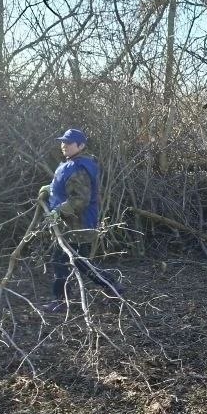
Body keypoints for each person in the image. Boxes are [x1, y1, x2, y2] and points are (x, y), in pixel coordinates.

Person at [39, 129, 123, 311]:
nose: (64, 146)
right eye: (63, 142)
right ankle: (111, 288)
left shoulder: (79, 168)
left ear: (81, 146)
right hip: (69, 223)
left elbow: (80, 200)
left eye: (68, 143)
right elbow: (64, 186)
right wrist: (49, 188)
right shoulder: (72, 163)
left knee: (70, 262)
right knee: (73, 262)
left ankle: (63, 301)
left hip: (79, 224)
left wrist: (58, 211)